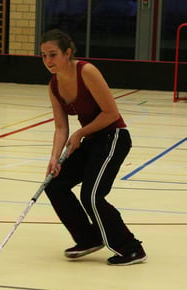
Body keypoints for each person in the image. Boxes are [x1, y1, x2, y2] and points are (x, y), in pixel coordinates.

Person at [39, 29, 147, 266]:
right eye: (44, 55)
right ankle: (88, 239)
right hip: (92, 141)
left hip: (114, 137)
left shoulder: (86, 71)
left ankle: (131, 248)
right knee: (55, 184)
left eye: (53, 54)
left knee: (92, 195)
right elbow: (60, 127)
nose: (48, 61)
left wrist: (80, 133)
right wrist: (54, 159)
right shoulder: (54, 85)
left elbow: (111, 113)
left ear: (68, 52)